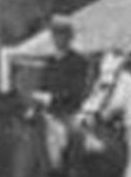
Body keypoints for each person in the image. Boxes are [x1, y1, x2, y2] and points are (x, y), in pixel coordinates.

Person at [37, 16, 94, 167]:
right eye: (55, 35)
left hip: (69, 111)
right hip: (47, 111)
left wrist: (52, 98)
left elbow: (77, 91)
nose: (57, 39)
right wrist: (38, 96)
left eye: (61, 35)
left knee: (75, 135)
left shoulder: (79, 61)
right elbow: (43, 85)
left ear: (69, 38)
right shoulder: (49, 61)